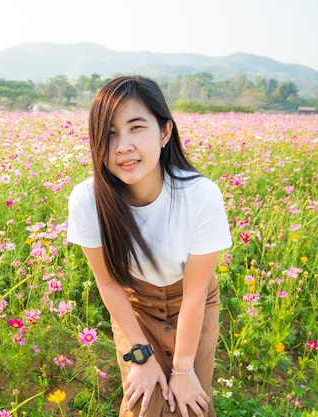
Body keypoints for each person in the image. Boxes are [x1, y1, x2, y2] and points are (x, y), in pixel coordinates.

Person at [67, 75, 233, 417]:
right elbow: (109, 283)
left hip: (192, 301)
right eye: (109, 133)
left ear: (165, 132)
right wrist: (140, 356)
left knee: (188, 404)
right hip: (135, 305)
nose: (122, 146)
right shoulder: (88, 201)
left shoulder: (200, 196)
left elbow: (195, 291)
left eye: (136, 127)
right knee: (143, 406)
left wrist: (184, 371)